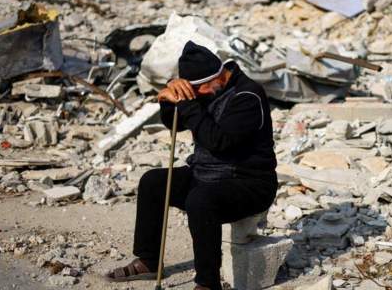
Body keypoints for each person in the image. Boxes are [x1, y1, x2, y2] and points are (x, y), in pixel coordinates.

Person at [105, 41, 278, 290]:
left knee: (201, 200)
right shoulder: (211, 89)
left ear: (219, 76)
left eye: (202, 90)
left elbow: (218, 141)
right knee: (153, 182)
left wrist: (187, 103)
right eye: (195, 93)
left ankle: (207, 283)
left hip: (249, 182)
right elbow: (175, 123)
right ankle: (148, 261)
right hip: (206, 174)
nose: (202, 96)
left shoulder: (248, 96)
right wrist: (170, 100)